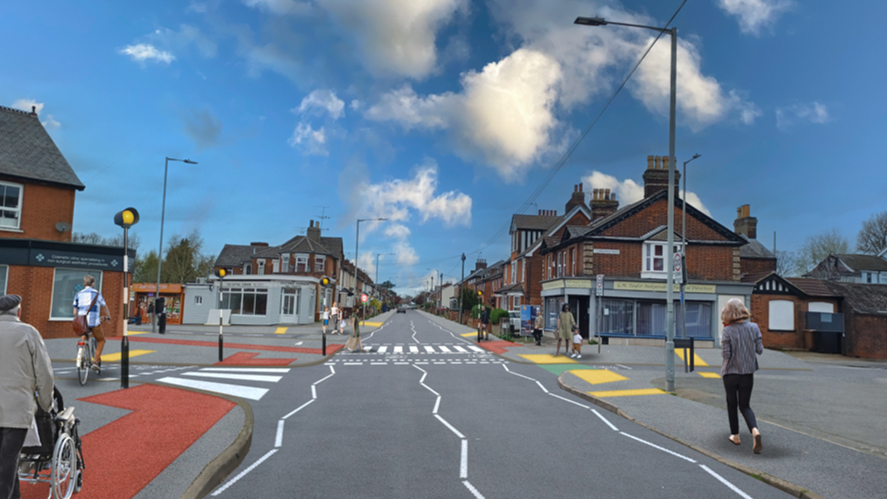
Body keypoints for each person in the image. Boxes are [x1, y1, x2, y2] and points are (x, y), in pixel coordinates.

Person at [0, 294, 54, 499]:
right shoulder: (29, 332)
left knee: (8, 463)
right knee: (8, 461)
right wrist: (46, 404)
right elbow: (45, 373)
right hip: (17, 410)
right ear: (19, 312)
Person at [720, 298, 764, 454]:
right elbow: (760, 350)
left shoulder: (727, 331)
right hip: (747, 373)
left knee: (732, 404)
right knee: (745, 405)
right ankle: (755, 430)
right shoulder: (754, 327)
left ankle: (735, 436)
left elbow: (726, 355)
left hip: (731, 373)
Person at [73, 275, 111, 369]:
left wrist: (78, 319)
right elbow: (104, 306)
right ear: (92, 283)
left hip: (83, 323)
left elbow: (75, 312)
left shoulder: (78, 294)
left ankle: (81, 356)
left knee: (84, 336)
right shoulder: (97, 294)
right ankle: (96, 361)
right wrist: (109, 316)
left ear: (84, 283)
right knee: (101, 340)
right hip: (94, 322)